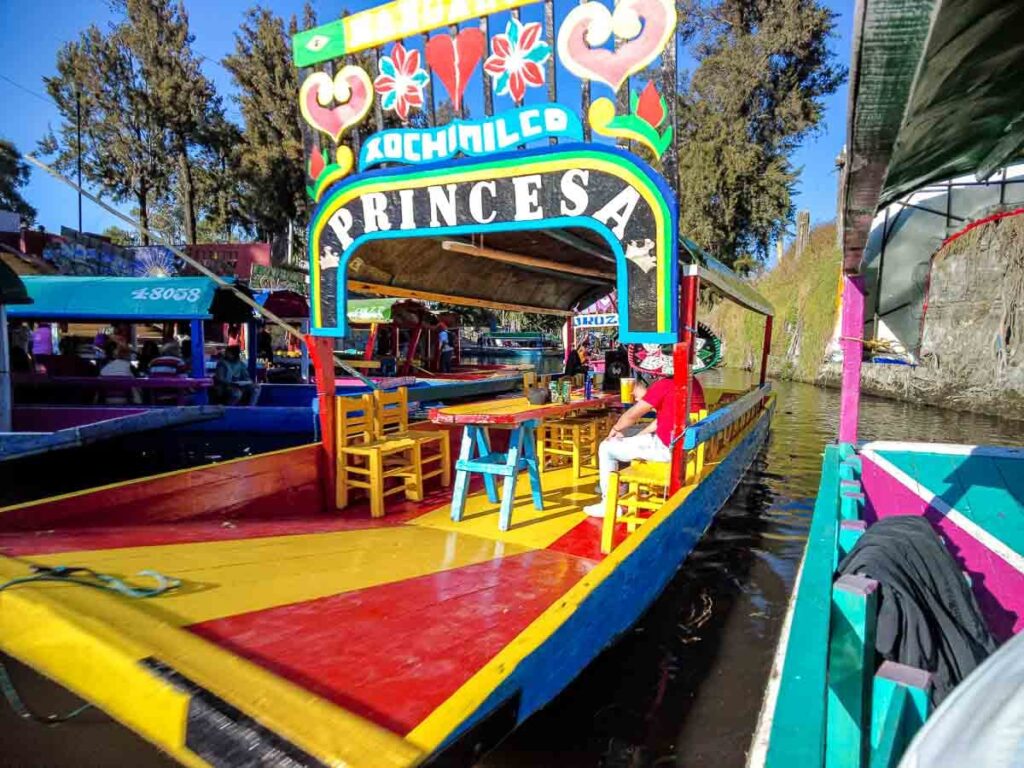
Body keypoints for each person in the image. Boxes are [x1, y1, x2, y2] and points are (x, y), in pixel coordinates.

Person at [583, 375, 706, 517]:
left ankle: (609, 503)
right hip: (689, 447)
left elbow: (631, 415)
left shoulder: (664, 384)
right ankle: (623, 487)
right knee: (631, 436)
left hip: (668, 448)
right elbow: (664, 417)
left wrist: (616, 429)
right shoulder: (691, 380)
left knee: (606, 447)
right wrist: (638, 436)